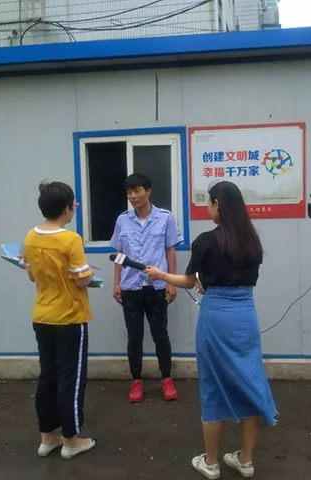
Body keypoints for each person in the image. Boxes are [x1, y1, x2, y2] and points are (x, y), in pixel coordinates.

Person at [145, 180, 277, 479]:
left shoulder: (206, 240)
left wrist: (161, 274)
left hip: (216, 317)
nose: (207, 208)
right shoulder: (251, 241)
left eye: (209, 203)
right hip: (245, 316)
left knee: (213, 386)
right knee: (250, 382)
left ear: (218, 204)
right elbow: (239, 280)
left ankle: (211, 462)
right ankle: (245, 460)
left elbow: (189, 281)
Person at [22, 181, 96, 459]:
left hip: (42, 316)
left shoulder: (31, 237)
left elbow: (32, 275)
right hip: (69, 317)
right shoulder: (70, 239)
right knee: (71, 379)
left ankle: (47, 437)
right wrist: (88, 274)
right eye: (73, 204)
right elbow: (82, 280)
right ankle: (71, 440)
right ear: (67, 209)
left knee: (48, 376)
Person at [110, 173, 184, 403]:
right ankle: (136, 381)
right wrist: (116, 283)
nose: (133, 196)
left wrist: (172, 282)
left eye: (137, 191)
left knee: (160, 334)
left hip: (157, 286)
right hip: (130, 287)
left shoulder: (165, 218)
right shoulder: (122, 220)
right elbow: (119, 254)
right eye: (129, 192)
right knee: (134, 336)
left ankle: (166, 379)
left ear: (148, 191)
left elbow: (170, 250)